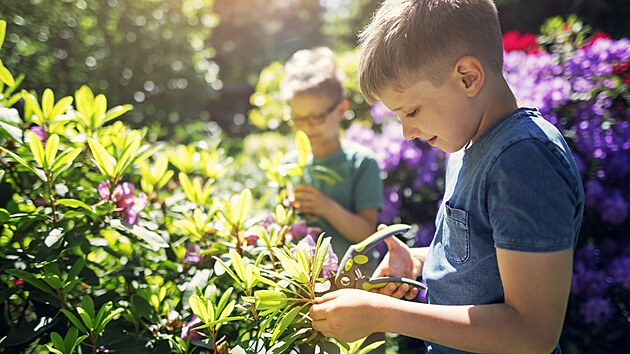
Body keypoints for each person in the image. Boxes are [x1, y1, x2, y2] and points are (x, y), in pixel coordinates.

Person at [309, 1, 585, 353]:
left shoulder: (522, 159)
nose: (407, 132)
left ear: (468, 77)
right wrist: (419, 261)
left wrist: (382, 314)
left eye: (412, 111)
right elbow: (484, 257)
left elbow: (532, 333)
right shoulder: (468, 145)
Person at [282, 47, 384, 260]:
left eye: (317, 117)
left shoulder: (361, 163)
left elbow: (366, 234)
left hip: (354, 280)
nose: (307, 127)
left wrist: (325, 207)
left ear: (340, 109)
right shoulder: (289, 165)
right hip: (307, 283)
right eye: (298, 119)